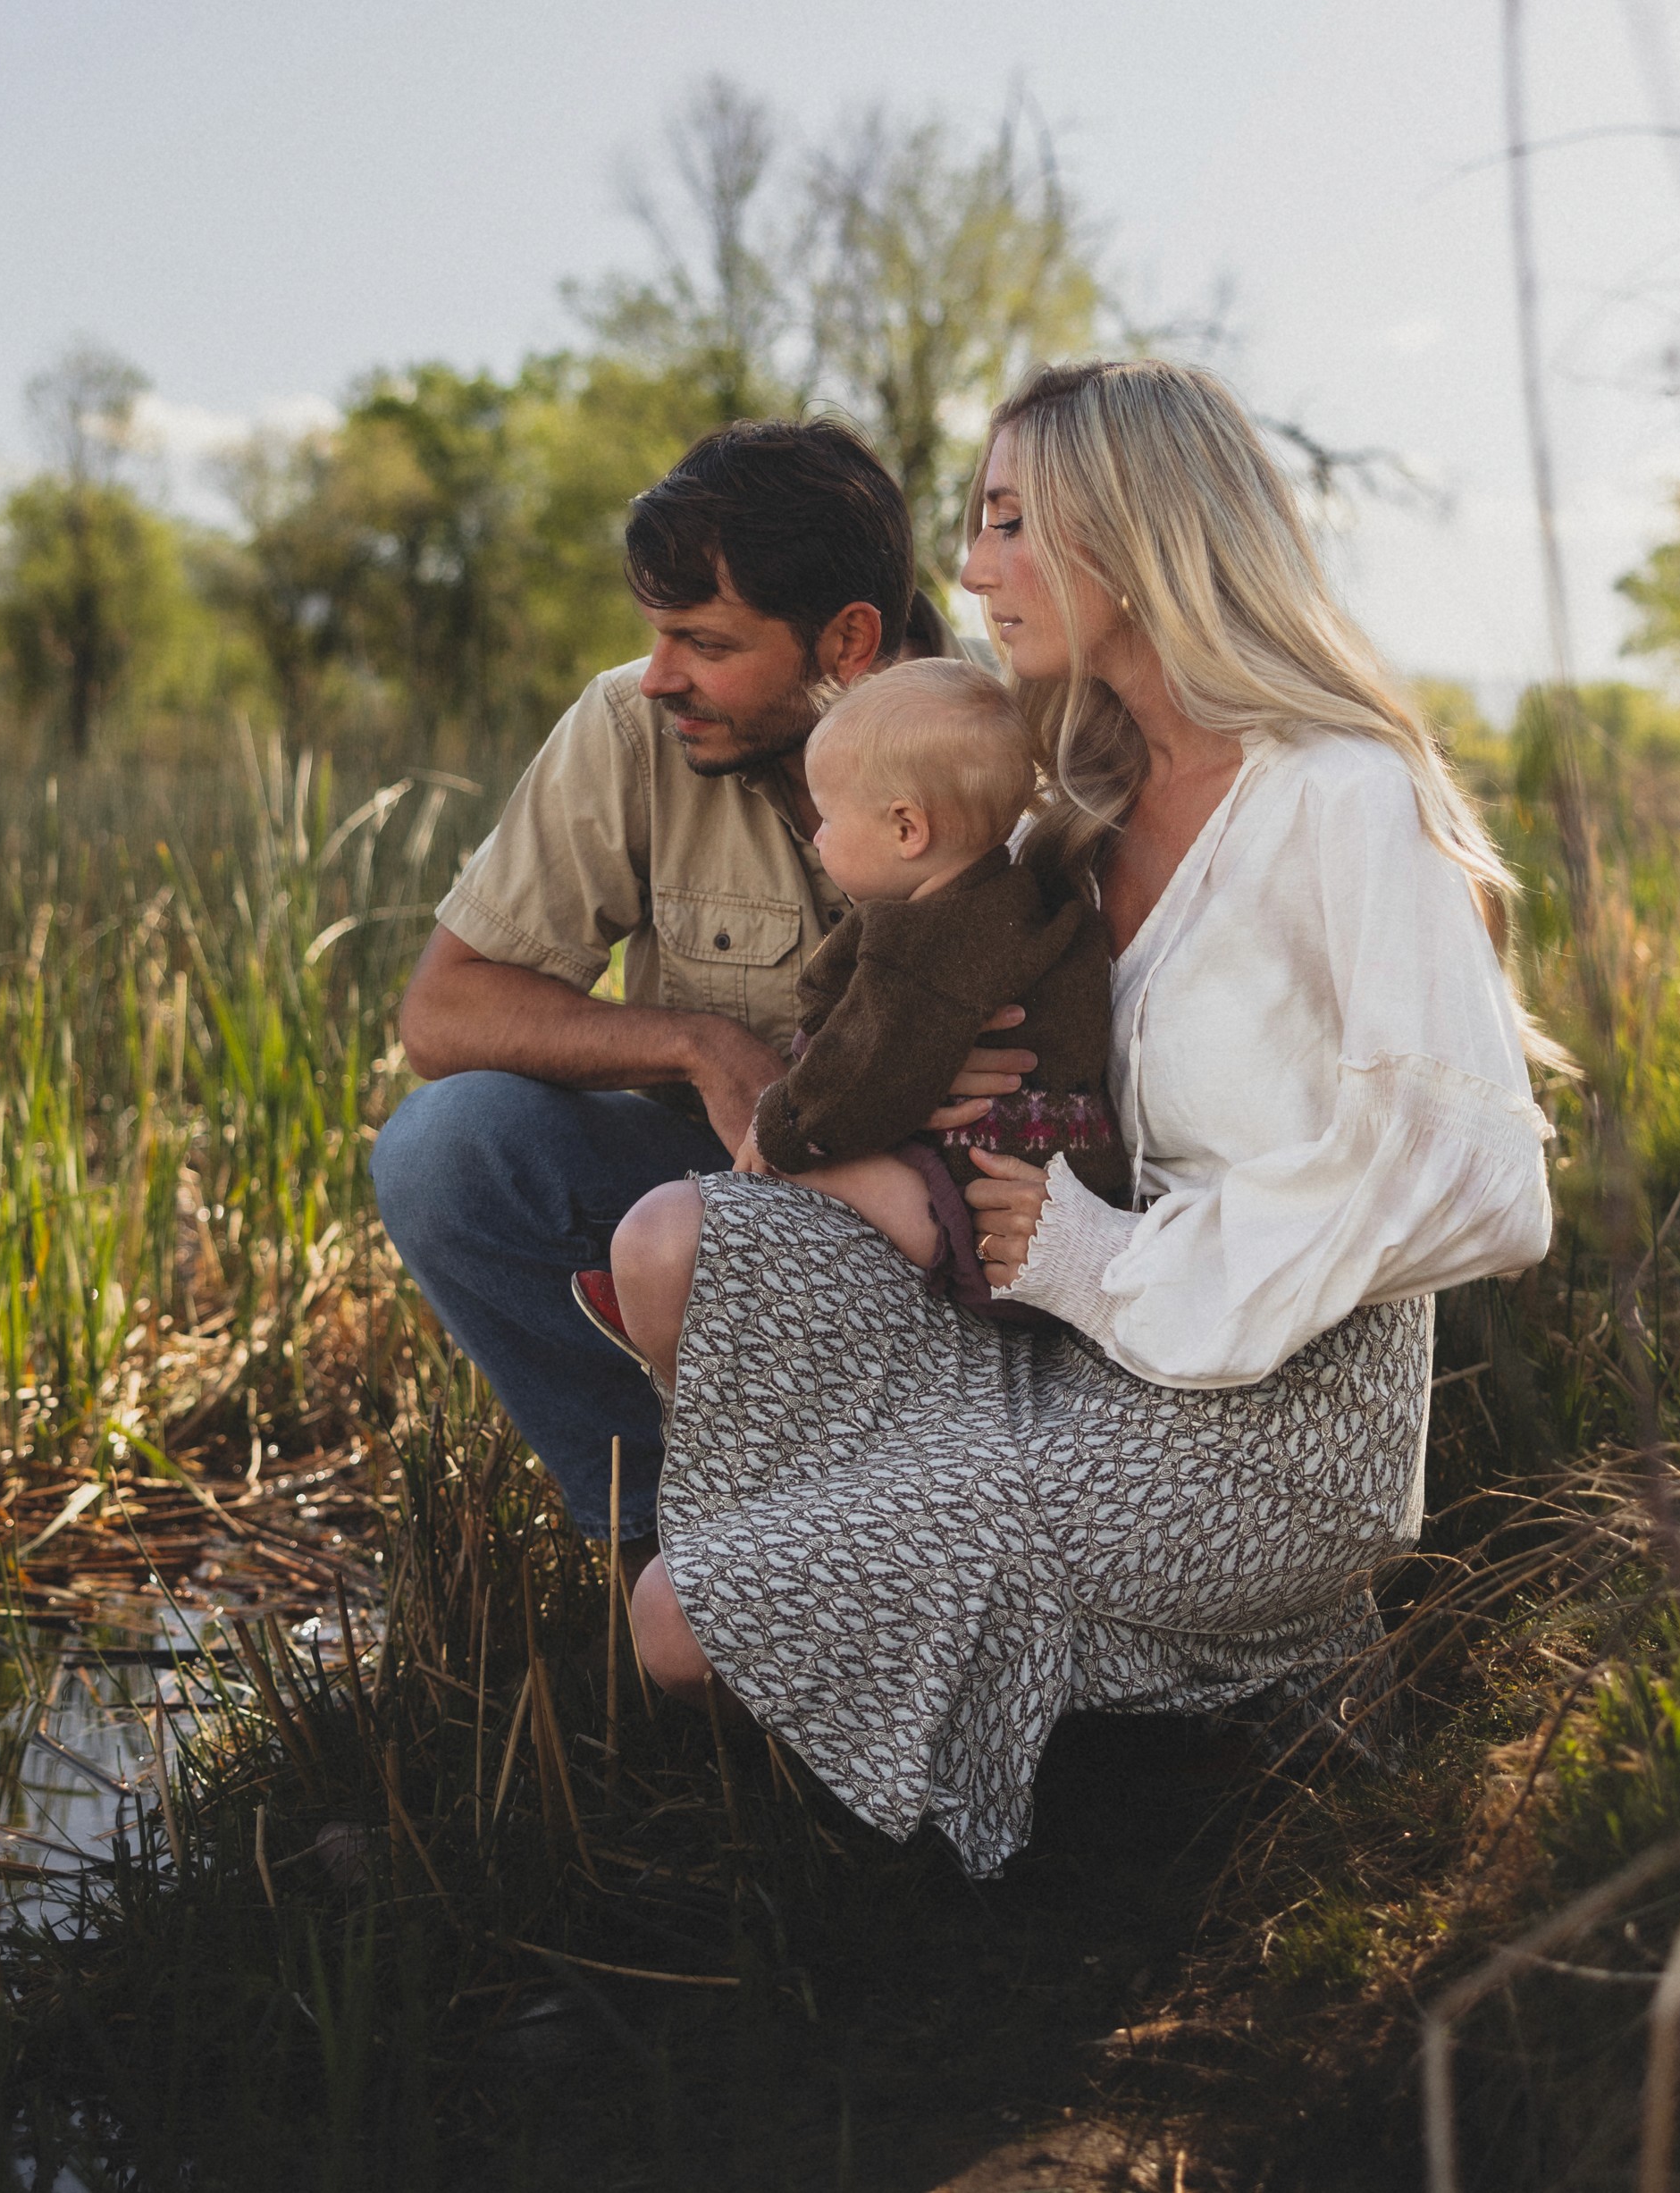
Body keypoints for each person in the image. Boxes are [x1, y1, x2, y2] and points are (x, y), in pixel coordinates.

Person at [609, 357, 1557, 1878]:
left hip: (1271, 1422)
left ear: (1138, 531)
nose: (972, 567)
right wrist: (935, 1114)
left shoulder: (1338, 793)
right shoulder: (1076, 801)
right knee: (681, 1241)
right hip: (1074, 1326)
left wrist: (1105, 1261)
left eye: (1008, 522)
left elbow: (1474, 1171)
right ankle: (1033, 1685)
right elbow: (953, 1019)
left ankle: (1269, 1664)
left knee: (676, 1622)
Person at [371, 416, 1028, 1551]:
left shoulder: (1015, 741)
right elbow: (442, 1013)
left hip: (962, 1228)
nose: (661, 676)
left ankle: (902, 1533)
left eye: (707, 644)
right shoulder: (631, 725)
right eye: (657, 634)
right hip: (714, 1199)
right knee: (445, 1147)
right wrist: (702, 1047)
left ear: (849, 639)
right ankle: (655, 1542)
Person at [743, 659, 1123, 1320]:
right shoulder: (1021, 901)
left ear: (906, 829)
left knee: (790, 1172)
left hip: (981, 1215)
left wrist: (777, 1129)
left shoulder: (919, 948)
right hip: (1064, 1179)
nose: (817, 834)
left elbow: (861, 1078)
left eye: (828, 817)